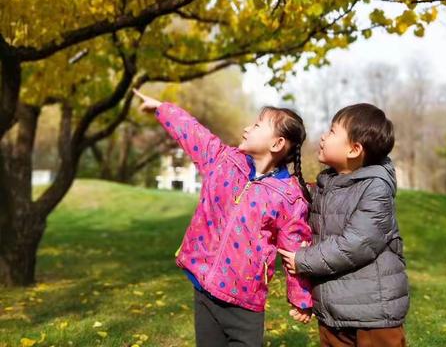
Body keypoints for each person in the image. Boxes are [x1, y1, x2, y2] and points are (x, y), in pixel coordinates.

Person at [133, 89, 313, 347]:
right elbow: (193, 133)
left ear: (276, 144)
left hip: (245, 302)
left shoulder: (288, 197)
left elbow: (294, 249)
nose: (247, 128)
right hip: (204, 289)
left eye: (257, 125)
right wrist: (162, 108)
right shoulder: (224, 162)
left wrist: (301, 298)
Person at [279, 103, 409, 347]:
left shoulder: (376, 188)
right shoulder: (325, 186)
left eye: (331, 131)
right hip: (333, 311)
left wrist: (302, 261)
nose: (323, 136)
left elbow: (356, 244)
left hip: (374, 315)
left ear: (354, 149)